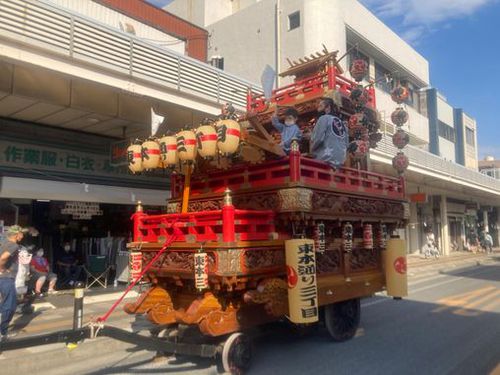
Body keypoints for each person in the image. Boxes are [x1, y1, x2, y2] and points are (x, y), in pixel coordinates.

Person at [0, 225, 27, 341]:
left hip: (4, 277)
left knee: (5, 303)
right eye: (22, 234)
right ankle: (3, 332)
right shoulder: (14, 245)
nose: (23, 236)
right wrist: (1, 268)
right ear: (17, 235)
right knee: (10, 305)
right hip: (6, 278)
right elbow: (2, 258)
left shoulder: (3, 242)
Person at [310, 97, 348, 168]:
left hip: (326, 158)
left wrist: (311, 149)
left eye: (321, 106)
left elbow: (318, 139)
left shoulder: (323, 118)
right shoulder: (342, 123)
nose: (318, 108)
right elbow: (346, 143)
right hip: (340, 160)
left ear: (328, 107)